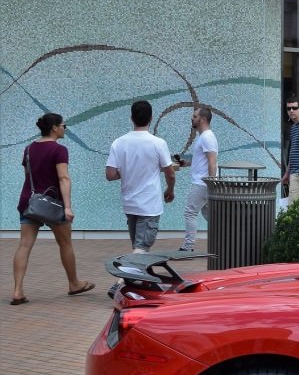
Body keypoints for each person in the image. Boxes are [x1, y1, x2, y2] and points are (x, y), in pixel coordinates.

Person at [12, 113, 93, 303]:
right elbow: (63, 178)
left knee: (24, 245)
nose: (65, 128)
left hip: (30, 202)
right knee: (65, 243)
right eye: (64, 125)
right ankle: (74, 283)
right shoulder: (59, 150)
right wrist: (68, 207)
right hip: (52, 204)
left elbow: (28, 175)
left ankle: (17, 291)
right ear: (55, 128)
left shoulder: (29, 149)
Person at [106, 100, 176, 253]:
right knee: (141, 247)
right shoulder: (158, 143)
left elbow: (110, 174)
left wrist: (126, 171)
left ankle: (137, 275)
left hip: (129, 203)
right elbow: (170, 173)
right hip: (149, 204)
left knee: (138, 246)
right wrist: (170, 190)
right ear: (151, 118)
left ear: (132, 118)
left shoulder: (118, 143)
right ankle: (123, 277)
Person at [175, 105, 218, 252]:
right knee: (212, 217)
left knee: (190, 212)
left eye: (194, 116)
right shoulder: (203, 137)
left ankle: (188, 247)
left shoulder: (207, 137)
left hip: (202, 183)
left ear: (203, 119)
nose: (191, 118)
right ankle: (224, 239)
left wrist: (212, 184)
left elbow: (212, 161)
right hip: (205, 183)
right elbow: (203, 160)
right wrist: (186, 163)